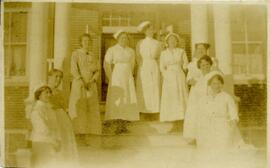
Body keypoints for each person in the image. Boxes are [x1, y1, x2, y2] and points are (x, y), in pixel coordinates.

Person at [103, 30, 139, 134]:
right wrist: (111, 77)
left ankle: (124, 124)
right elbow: (106, 64)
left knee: (127, 97)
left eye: (126, 38)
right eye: (122, 38)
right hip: (117, 76)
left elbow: (132, 64)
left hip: (127, 76)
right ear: (118, 39)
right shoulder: (112, 50)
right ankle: (116, 124)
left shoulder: (131, 51)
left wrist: (130, 75)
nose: (124, 40)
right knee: (118, 99)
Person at [68, 33, 102, 141]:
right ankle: (79, 132)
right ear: (80, 42)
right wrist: (81, 80)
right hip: (79, 84)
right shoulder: (75, 54)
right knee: (80, 106)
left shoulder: (93, 54)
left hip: (91, 84)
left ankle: (91, 132)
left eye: (88, 41)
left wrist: (92, 80)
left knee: (91, 107)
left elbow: (97, 70)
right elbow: (73, 69)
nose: (87, 43)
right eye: (84, 41)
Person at [48, 69, 78, 166]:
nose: (58, 79)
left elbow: (64, 106)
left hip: (62, 118)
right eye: (56, 76)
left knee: (65, 139)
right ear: (50, 77)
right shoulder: (44, 90)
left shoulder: (60, 92)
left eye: (60, 77)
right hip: (52, 117)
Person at [183, 55, 215, 142]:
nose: (205, 67)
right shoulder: (198, 78)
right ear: (199, 67)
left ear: (210, 65)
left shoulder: (213, 76)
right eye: (203, 65)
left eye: (207, 64)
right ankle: (196, 137)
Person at [160, 32, 189, 122]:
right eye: (170, 40)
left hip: (179, 75)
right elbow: (161, 66)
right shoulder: (163, 53)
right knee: (171, 96)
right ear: (167, 42)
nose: (172, 42)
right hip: (169, 76)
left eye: (174, 40)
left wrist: (185, 70)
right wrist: (166, 75)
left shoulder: (181, 51)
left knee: (180, 95)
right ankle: (171, 120)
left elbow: (185, 64)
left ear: (177, 42)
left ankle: (181, 119)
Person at [30, 84, 61, 168]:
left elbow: (54, 126)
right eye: (46, 93)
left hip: (48, 142)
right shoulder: (37, 109)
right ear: (39, 95)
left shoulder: (48, 108)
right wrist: (53, 141)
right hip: (41, 143)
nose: (49, 95)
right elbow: (42, 129)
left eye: (50, 93)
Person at [136, 21, 162, 115]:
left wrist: (159, 68)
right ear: (144, 31)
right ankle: (143, 110)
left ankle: (155, 110)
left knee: (154, 86)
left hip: (154, 65)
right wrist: (141, 67)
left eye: (151, 30)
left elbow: (160, 57)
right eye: (148, 30)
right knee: (144, 86)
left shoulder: (158, 43)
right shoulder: (140, 43)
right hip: (144, 66)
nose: (150, 31)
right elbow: (138, 56)